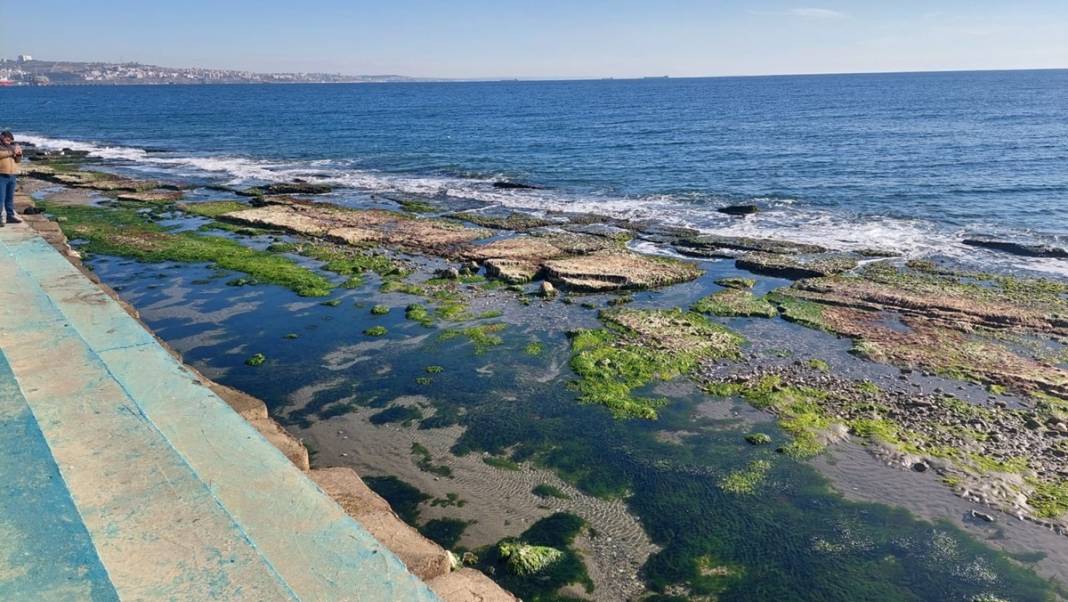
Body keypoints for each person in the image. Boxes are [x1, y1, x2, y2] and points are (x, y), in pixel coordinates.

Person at [0, 130, 24, 226]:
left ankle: (10, 216)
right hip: (1, 175)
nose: (9, 141)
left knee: (9, 198)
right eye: (7, 138)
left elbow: (17, 161)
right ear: (2, 137)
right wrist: (12, 152)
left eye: (10, 139)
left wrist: (19, 154)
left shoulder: (11, 147)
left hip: (12, 175)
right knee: (0, 198)